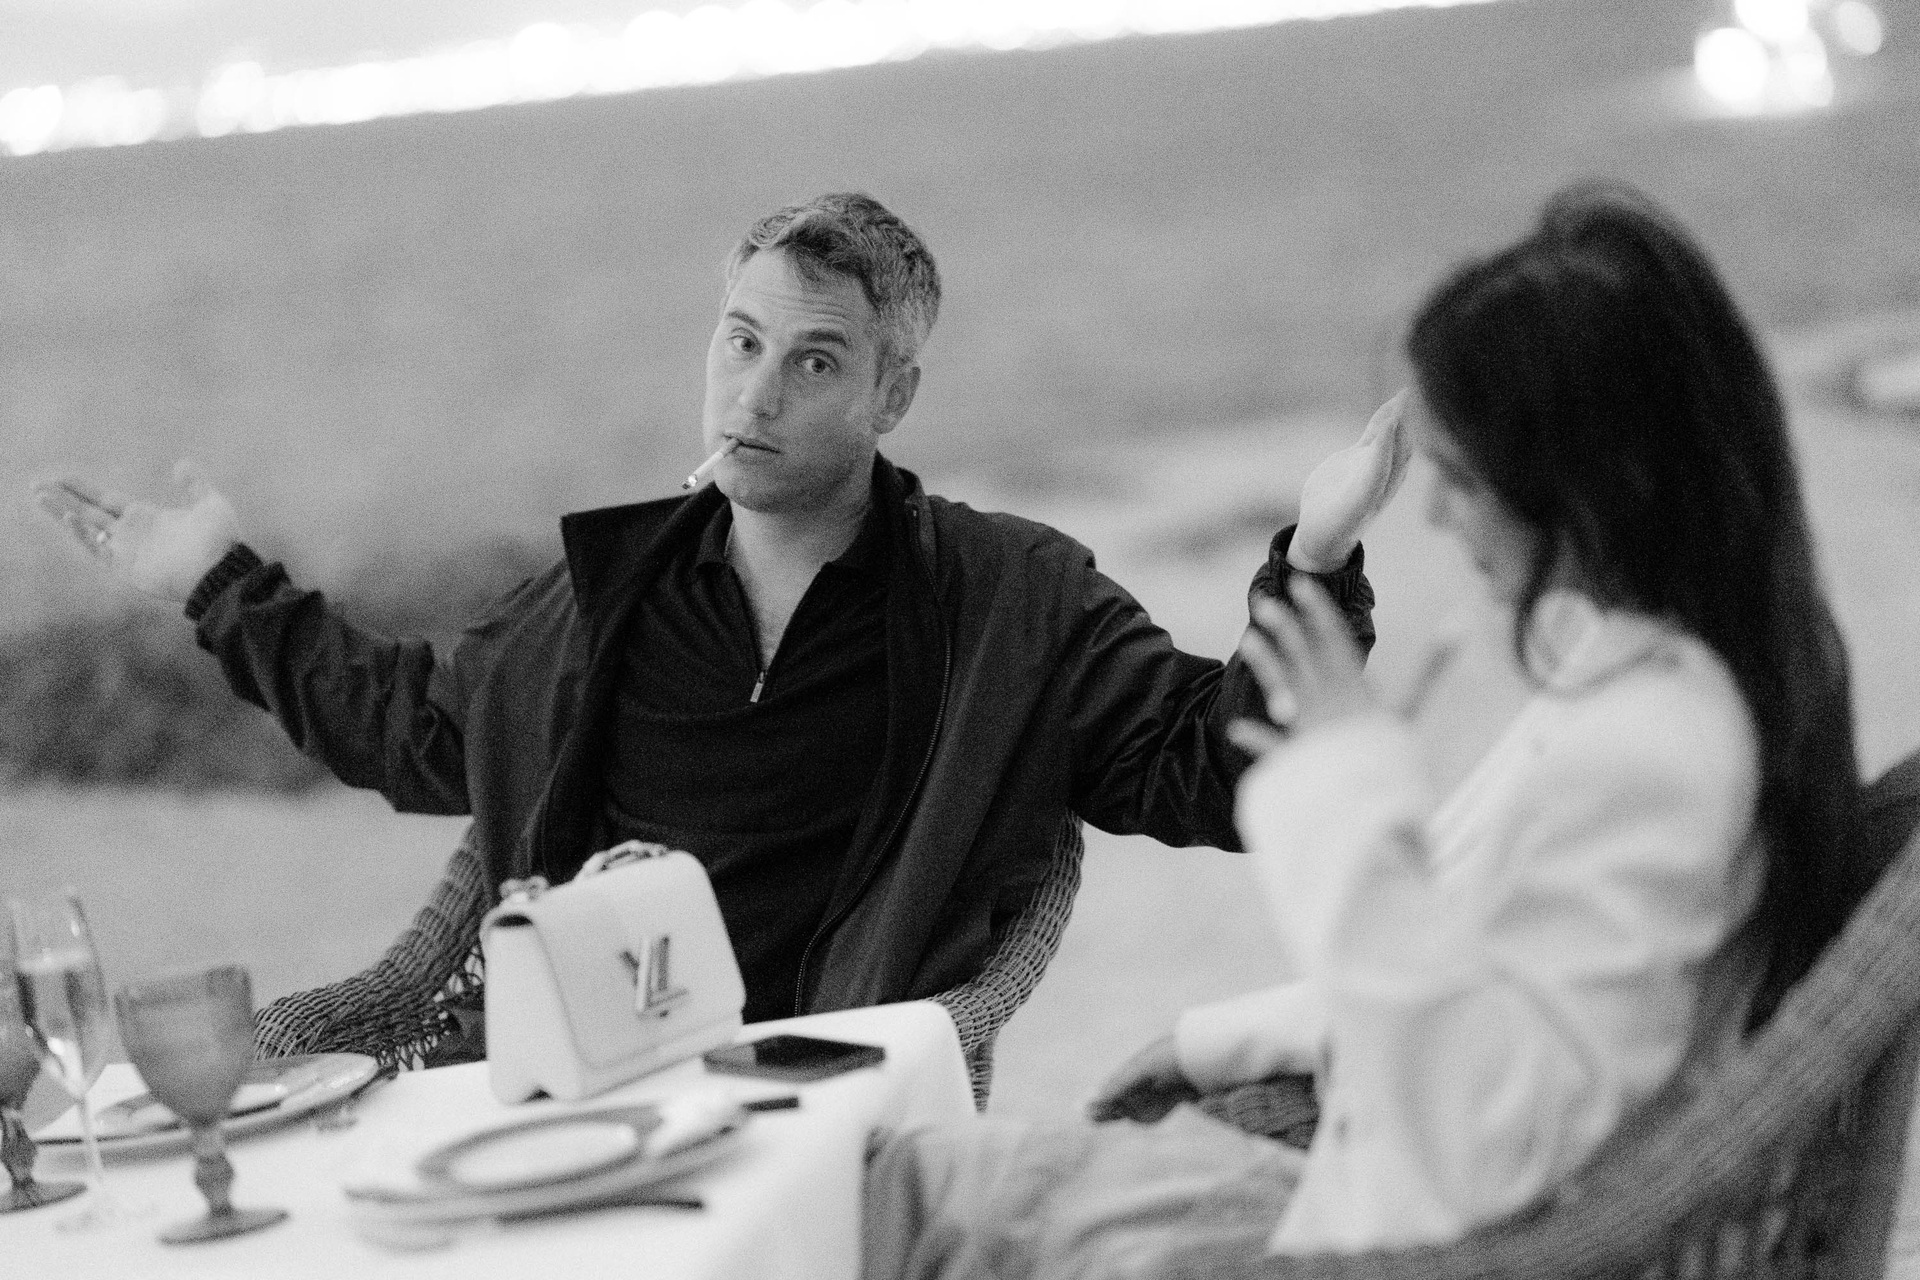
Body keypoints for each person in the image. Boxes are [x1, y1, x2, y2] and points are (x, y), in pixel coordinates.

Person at [31, 192, 1402, 1066]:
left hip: (813, 1095)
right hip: (567, 1082)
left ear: (892, 396)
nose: (756, 394)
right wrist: (219, 582)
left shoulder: (1009, 602)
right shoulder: (607, 597)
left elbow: (1213, 773)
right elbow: (411, 731)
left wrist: (1317, 559)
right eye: (740, 342)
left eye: (815, 361)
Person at [860, 183, 1868, 1273]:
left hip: (1382, 1247)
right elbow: (1488, 996)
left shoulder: (1652, 755)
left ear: (1593, 487)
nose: (1434, 513)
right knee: (901, 1179)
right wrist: (1218, 1040)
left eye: (1465, 480)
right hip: (1356, 1197)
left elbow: (1479, 1132)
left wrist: (1352, 786)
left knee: (886, 1202)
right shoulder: (1660, 686)